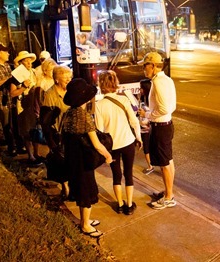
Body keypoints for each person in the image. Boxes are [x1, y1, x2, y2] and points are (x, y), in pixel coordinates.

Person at [62, 78, 112, 238]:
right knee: (87, 192)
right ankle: (85, 225)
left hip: (72, 158)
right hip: (83, 160)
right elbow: (96, 144)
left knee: (79, 187)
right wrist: (107, 155)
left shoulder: (68, 113)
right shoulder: (84, 116)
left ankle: (86, 220)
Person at [95, 70, 142, 215]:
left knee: (116, 174)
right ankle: (129, 204)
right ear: (115, 83)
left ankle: (120, 204)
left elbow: (100, 129)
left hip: (112, 146)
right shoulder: (124, 100)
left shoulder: (99, 105)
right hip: (128, 142)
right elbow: (134, 122)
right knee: (128, 173)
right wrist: (139, 138)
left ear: (101, 84)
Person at [137, 52, 177, 210]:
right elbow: (171, 107)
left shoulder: (159, 82)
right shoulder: (167, 79)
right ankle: (169, 192)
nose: (143, 69)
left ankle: (168, 198)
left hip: (161, 127)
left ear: (152, 66)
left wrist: (147, 114)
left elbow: (165, 108)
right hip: (167, 125)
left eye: (144, 66)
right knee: (169, 160)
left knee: (164, 164)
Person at [40, 65, 72, 198]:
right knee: (62, 162)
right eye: (66, 79)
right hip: (58, 134)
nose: (69, 81)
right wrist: (51, 142)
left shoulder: (71, 91)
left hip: (71, 133)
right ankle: (65, 187)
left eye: (70, 78)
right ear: (57, 80)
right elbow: (45, 122)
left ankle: (71, 184)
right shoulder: (49, 95)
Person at [10, 51, 42, 166]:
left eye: (30, 61)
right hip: (23, 107)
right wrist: (23, 87)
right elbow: (12, 93)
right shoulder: (16, 76)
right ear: (20, 63)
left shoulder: (34, 72)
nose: (29, 63)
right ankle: (30, 155)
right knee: (27, 130)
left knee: (36, 129)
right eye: (25, 61)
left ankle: (37, 153)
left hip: (34, 104)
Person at [139, 79, 154, 175]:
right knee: (148, 148)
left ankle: (150, 166)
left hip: (147, 130)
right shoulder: (143, 98)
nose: (139, 90)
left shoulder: (150, 101)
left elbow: (150, 116)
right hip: (145, 129)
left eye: (141, 88)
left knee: (147, 149)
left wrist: (143, 117)